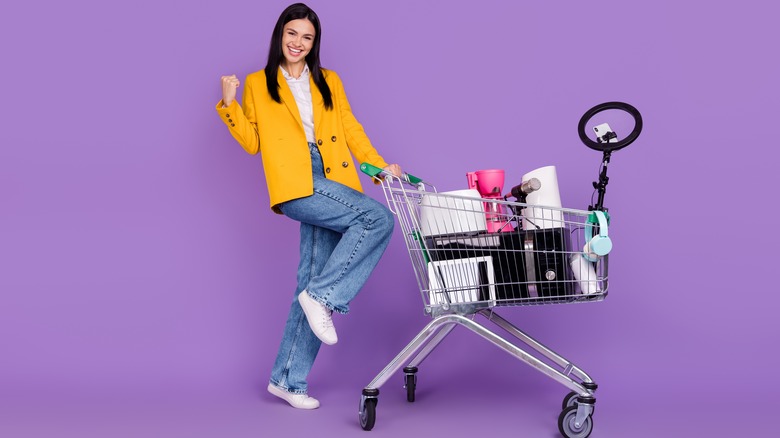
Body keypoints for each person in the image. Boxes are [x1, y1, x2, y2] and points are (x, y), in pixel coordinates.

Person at [215, 3, 401, 410]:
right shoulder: (258, 83)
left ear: (314, 43)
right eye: (292, 34)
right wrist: (229, 103)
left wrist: (378, 167)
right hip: (295, 181)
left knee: (309, 280)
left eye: (307, 37)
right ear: (280, 35)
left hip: (332, 176)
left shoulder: (328, 80)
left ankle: (287, 380)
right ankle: (325, 297)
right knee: (376, 219)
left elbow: (350, 127)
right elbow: (252, 142)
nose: (298, 43)